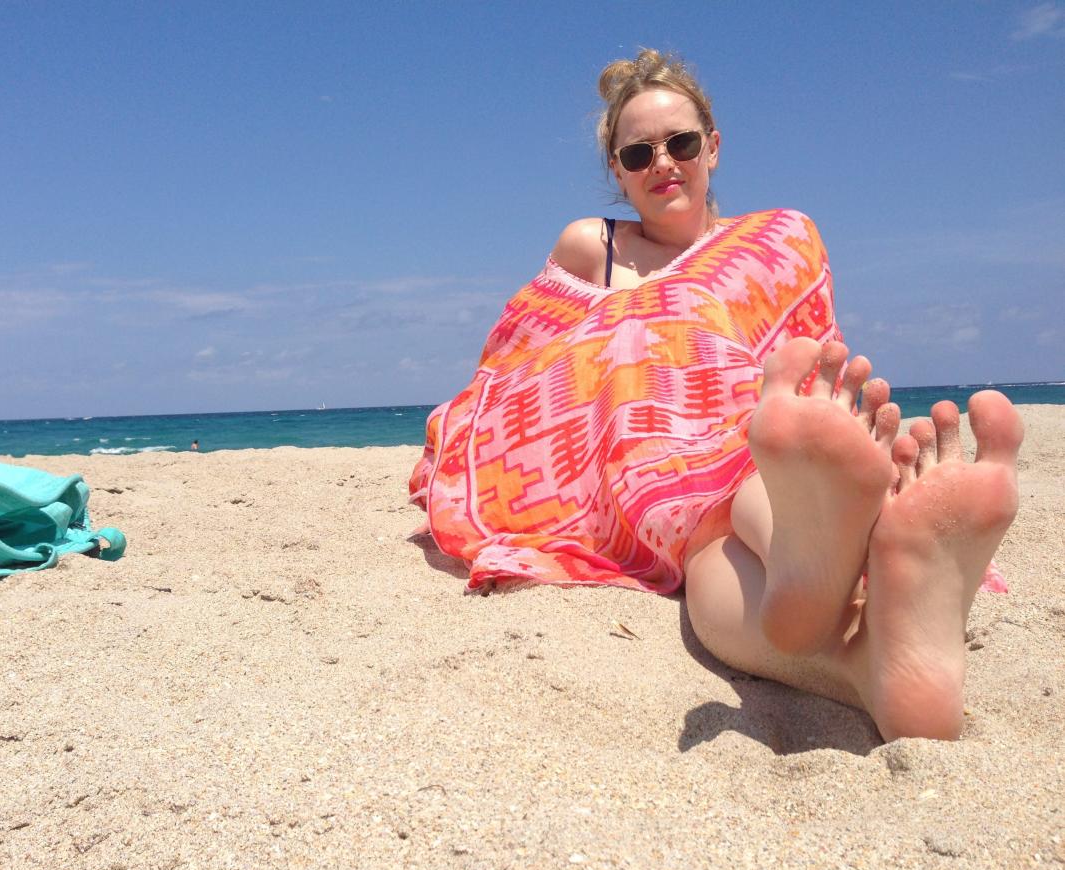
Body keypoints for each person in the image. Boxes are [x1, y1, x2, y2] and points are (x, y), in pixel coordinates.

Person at [409, 48, 1023, 742]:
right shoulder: (592, 245)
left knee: (741, 499)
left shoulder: (779, 237)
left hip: (749, 426)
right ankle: (847, 592)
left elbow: (809, 354)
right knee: (704, 520)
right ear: (617, 170)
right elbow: (525, 358)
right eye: (638, 154)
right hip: (637, 443)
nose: (662, 163)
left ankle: (857, 649)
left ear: (714, 147)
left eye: (681, 143)